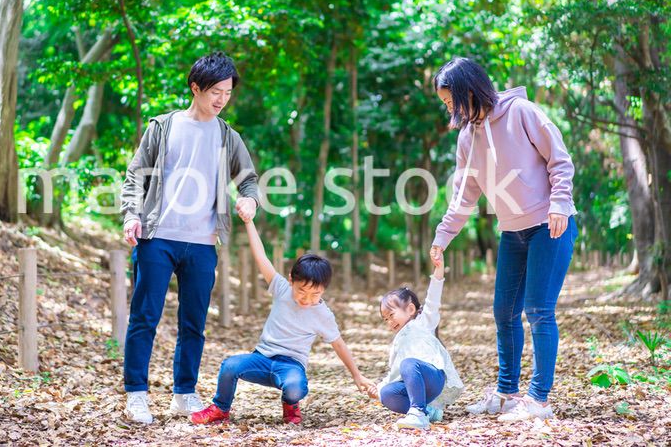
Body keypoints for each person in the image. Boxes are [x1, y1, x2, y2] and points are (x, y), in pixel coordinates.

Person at [429, 57, 578, 421]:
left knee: (539, 310)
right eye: (445, 103)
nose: (449, 108)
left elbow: (560, 161)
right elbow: (464, 195)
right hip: (512, 231)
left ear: (468, 90)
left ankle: (539, 400)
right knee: (504, 312)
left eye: (450, 100)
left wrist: (559, 202)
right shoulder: (468, 137)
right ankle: (507, 393)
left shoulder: (523, 112)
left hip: (550, 224)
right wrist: (442, 236)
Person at [119, 52, 260, 424]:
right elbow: (134, 175)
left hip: (202, 243)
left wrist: (249, 199)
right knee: (144, 317)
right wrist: (131, 215)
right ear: (195, 88)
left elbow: (248, 179)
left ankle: (183, 393)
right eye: (215, 92)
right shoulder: (163, 127)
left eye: (227, 93)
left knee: (193, 322)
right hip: (157, 237)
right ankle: (136, 394)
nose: (221, 100)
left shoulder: (228, 136)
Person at [190, 218, 375, 425]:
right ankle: (220, 408)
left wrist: (357, 376)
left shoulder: (323, 314)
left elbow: (339, 344)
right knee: (229, 366)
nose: (306, 299)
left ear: (324, 290)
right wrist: (250, 222)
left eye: (315, 294)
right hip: (262, 358)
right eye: (301, 291)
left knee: (295, 387)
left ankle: (290, 406)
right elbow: (261, 257)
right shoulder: (281, 289)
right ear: (291, 280)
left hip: (291, 365)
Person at [367, 257, 464, 430]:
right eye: (385, 319)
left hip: (432, 378)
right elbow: (395, 371)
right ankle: (428, 412)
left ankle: (418, 413)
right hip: (413, 385)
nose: (389, 322)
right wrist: (379, 388)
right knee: (387, 394)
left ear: (410, 309)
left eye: (392, 315)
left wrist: (439, 269)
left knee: (409, 364)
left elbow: (433, 298)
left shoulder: (424, 322)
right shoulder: (399, 341)